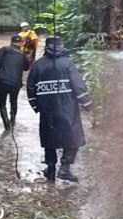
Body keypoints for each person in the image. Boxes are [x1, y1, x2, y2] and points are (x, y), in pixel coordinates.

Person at [27, 37, 92, 183]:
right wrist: (88, 104)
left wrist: (36, 107)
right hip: (67, 109)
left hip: (47, 110)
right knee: (73, 138)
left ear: (46, 47)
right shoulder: (67, 63)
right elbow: (78, 85)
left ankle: (50, 169)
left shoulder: (37, 65)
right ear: (61, 46)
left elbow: (30, 88)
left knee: (49, 140)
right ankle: (64, 169)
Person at [0, 35, 30, 130]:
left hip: (2, 81)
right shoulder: (22, 55)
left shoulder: (4, 50)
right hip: (16, 83)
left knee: (2, 104)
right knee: (13, 102)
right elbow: (26, 68)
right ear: (21, 43)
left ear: (11, 42)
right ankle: (12, 121)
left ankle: (6, 124)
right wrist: (26, 57)